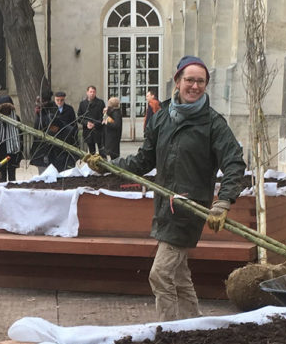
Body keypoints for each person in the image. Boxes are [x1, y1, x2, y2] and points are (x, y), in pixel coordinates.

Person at [102, 55, 245, 321]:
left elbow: (234, 162)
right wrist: (110, 166)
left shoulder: (213, 124)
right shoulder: (162, 118)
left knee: (160, 274)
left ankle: (170, 333)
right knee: (179, 275)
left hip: (189, 209)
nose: (195, 86)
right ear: (178, 81)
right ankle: (194, 325)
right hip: (164, 207)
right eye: (189, 80)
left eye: (201, 81)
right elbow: (144, 159)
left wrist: (223, 201)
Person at [0, 95, 22, 181]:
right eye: (3, 108)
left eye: (7, 108)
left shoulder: (16, 119)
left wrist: (19, 154)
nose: (5, 110)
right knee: (2, 174)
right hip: (0, 150)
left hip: (13, 150)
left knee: (12, 175)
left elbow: (20, 137)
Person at [48, 91, 78, 169]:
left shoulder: (69, 109)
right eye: (57, 100)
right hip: (54, 138)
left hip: (66, 137)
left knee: (66, 160)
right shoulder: (50, 109)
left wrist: (74, 136)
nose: (59, 102)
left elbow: (74, 124)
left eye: (61, 100)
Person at [77, 85, 105, 159]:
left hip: (98, 130)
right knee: (92, 152)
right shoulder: (83, 104)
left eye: (94, 92)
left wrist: (95, 124)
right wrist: (86, 123)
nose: (92, 93)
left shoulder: (100, 103)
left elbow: (103, 117)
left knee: (102, 151)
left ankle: (104, 166)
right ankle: (93, 166)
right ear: (87, 92)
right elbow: (79, 117)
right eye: (90, 92)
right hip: (88, 131)